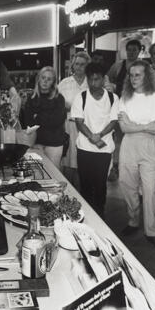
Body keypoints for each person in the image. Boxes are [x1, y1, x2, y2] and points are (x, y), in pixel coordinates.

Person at [118, 60, 155, 251]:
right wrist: (145, 126)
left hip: (149, 148)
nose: (134, 78)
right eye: (131, 74)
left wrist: (134, 125)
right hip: (129, 146)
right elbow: (123, 127)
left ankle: (152, 232)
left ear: (147, 75)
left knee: (150, 190)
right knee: (127, 186)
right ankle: (133, 221)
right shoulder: (124, 97)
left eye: (138, 74)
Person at [71, 62, 119, 217]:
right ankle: (85, 215)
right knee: (85, 184)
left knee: (100, 185)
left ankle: (100, 214)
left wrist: (99, 135)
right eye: (90, 79)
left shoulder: (112, 98)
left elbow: (113, 121)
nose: (93, 83)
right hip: (85, 148)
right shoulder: (81, 97)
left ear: (103, 79)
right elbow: (79, 121)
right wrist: (91, 136)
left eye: (96, 79)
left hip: (104, 149)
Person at [107, 40, 142, 182]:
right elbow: (106, 79)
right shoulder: (118, 65)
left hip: (136, 109)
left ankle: (133, 168)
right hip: (120, 106)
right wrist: (113, 87)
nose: (132, 52)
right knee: (118, 139)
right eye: (129, 50)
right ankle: (116, 167)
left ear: (139, 51)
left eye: (134, 50)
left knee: (134, 139)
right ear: (126, 51)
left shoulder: (144, 67)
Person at [58, 51, 91, 190]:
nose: (79, 67)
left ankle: (83, 195)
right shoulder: (65, 83)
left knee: (82, 163)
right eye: (77, 64)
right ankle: (69, 192)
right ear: (73, 65)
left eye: (82, 64)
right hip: (68, 127)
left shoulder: (91, 82)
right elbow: (57, 104)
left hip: (86, 127)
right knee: (67, 164)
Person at [23, 66, 66, 169]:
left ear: (53, 82)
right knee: (38, 173)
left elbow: (57, 121)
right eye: (43, 77)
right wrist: (47, 116)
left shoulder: (59, 98)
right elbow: (27, 122)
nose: (45, 81)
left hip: (54, 144)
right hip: (37, 142)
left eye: (49, 79)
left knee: (54, 174)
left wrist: (37, 116)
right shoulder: (32, 98)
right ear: (39, 79)